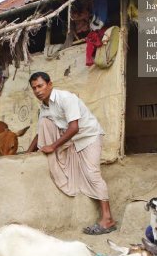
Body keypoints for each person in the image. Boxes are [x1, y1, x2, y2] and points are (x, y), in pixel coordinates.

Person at [26, 71, 116, 235]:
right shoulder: (44, 107)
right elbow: (40, 132)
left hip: (89, 136)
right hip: (73, 141)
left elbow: (74, 127)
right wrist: (27, 153)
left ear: (50, 84)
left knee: (92, 173)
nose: (38, 90)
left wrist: (53, 146)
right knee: (45, 122)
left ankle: (108, 219)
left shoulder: (65, 98)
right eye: (34, 88)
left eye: (40, 86)